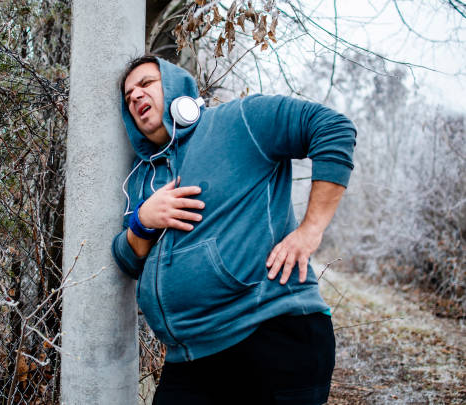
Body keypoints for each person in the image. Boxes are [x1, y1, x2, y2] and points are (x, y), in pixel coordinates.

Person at [111, 55, 356, 405]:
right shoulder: (141, 177)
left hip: (271, 334)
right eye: (127, 94)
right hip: (189, 357)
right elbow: (127, 260)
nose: (135, 96)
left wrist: (310, 230)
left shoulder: (239, 120)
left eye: (147, 83)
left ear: (178, 86)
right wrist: (143, 222)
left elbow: (333, 128)